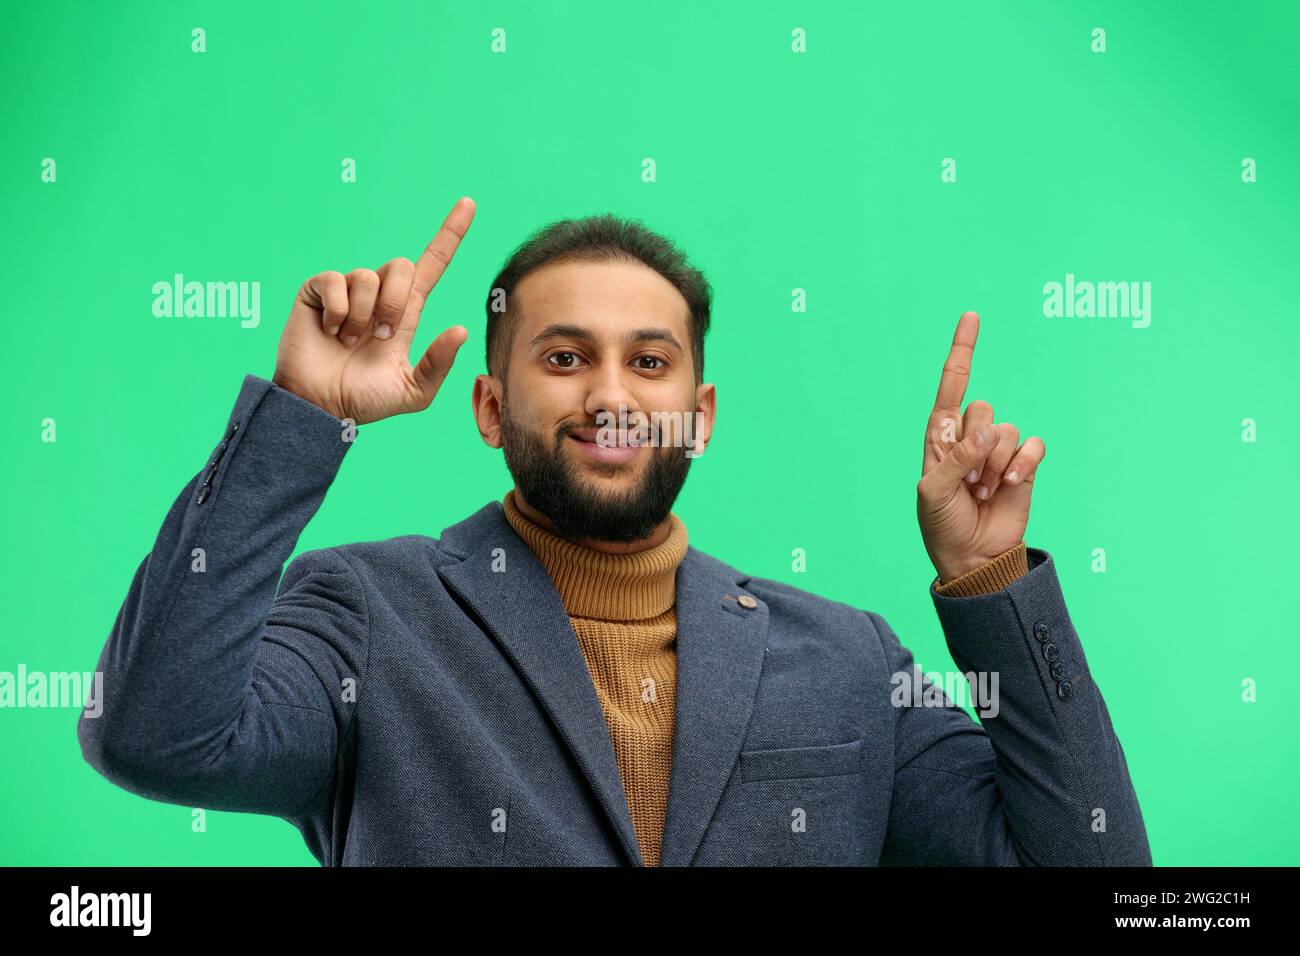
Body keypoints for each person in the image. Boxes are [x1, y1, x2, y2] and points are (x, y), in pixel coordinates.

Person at [77, 196, 1151, 866]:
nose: (610, 393)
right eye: (561, 357)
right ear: (490, 408)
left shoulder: (847, 659)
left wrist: (988, 576)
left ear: (701, 410)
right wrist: (302, 418)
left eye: (648, 360)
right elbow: (151, 733)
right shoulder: (367, 614)